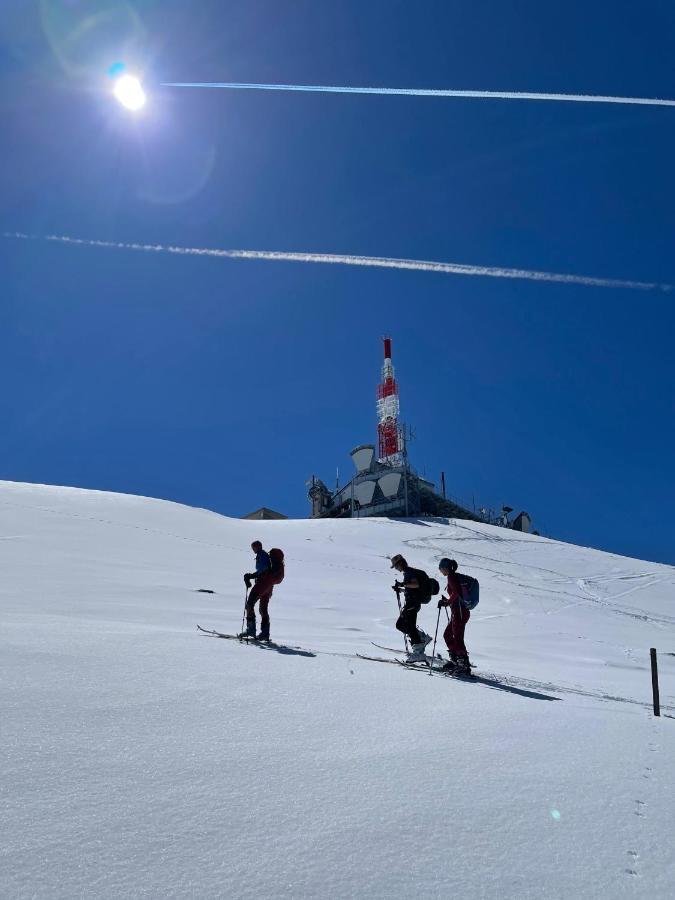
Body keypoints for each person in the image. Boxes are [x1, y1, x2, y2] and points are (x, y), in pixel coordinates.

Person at [390, 553, 432, 662]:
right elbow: (412, 588)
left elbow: (415, 584)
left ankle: (419, 652)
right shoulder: (408, 572)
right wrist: (401, 589)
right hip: (413, 602)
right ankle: (422, 639)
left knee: (403, 625)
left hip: (412, 603)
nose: (395, 568)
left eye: (395, 566)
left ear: (400, 564)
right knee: (405, 626)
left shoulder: (409, 572)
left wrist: (403, 584)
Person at [437, 557, 472, 675]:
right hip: (458, 612)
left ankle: (463, 665)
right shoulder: (453, 576)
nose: (440, 570)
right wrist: (448, 601)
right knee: (447, 635)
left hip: (460, 612)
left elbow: (456, 592)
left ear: (445, 568)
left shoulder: (451, 576)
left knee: (458, 638)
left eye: (440, 568)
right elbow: (456, 594)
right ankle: (456, 660)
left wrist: (447, 602)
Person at [242, 541, 274, 640]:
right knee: (263, 609)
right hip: (269, 585)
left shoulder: (262, 555)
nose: (253, 549)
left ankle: (251, 630)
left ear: (257, 547)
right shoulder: (265, 555)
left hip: (262, 584)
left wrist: (252, 576)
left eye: (253, 547)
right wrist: (253, 576)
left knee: (249, 604)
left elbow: (263, 569)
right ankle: (265, 634)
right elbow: (264, 569)